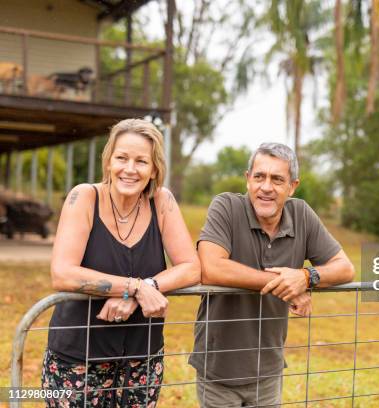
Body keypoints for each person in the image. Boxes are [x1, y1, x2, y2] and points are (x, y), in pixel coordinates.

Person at [41, 118, 200, 407]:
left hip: (141, 359)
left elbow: (192, 267)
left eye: (141, 161)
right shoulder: (85, 197)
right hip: (77, 358)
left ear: (154, 169)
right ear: (109, 161)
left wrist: (145, 289)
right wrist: (133, 288)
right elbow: (62, 273)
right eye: (122, 158)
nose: (130, 169)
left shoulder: (161, 201)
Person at [190, 143, 355, 407]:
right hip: (218, 371)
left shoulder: (301, 214)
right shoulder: (226, 207)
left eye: (277, 179)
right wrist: (285, 283)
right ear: (248, 179)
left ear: (292, 186)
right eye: (259, 177)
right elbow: (211, 268)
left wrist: (305, 277)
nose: (266, 187)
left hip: (268, 370)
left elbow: (345, 267)